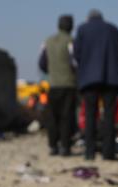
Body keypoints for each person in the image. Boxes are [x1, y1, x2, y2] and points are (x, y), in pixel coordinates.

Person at [73, 10, 118, 161]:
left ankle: (89, 153)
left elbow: (76, 54)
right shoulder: (113, 29)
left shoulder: (82, 29)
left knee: (90, 115)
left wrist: (87, 64)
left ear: (88, 18)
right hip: (111, 78)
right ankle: (108, 153)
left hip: (89, 78)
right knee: (110, 116)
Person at [39, 15, 77, 156]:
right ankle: (65, 147)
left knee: (52, 116)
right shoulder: (71, 41)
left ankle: (53, 146)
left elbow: (42, 64)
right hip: (68, 84)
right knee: (66, 116)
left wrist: (53, 72)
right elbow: (75, 62)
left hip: (52, 84)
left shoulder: (48, 41)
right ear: (71, 26)